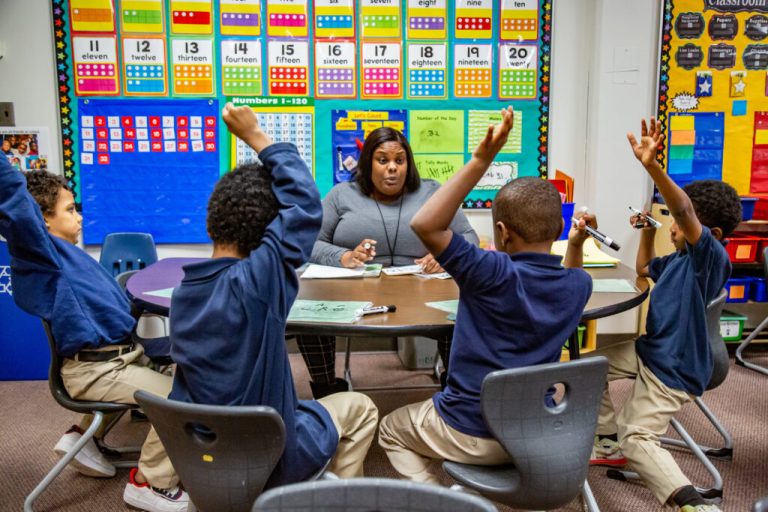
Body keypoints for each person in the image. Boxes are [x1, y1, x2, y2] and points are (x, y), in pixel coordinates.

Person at [164, 103, 378, 488]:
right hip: (272, 456)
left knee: (301, 407)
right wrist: (256, 136)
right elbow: (305, 205)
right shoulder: (256, 283)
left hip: (207, 458)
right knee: (361, 408)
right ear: (267, 232)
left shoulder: (183, 293)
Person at [377, 107, 594, 484]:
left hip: (469, 431)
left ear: (501, 232)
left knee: (391, 428)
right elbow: (571, 272)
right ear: (560, 228)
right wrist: (574, 243)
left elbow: (425, 224)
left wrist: (481, 159)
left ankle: (446, 503)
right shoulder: (578, 286)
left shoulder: (489, 272)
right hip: (535, 431)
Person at [0, 157, 188, 512]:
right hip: (99, 370)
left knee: (170, 364)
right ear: (41, 221)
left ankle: (83, 439)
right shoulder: (43, 254)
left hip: (114, 357)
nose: (79, 216)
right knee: (186, 399)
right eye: (70, 210)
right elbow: (14, 198)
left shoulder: (71, 255)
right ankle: (151, 483)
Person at [588, 118, 741, 512]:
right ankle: (607, 442)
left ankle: (692, 503)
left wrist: (652, 166)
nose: (673, 224)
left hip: (673, 369)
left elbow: (685, 208)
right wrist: (644, 231)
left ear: (713, 235)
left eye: (679, 222)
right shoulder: (679, 260)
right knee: (588, 368)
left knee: (637, 436)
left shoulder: (709, 259)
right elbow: (643, 270)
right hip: (650, 351)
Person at [300, 126, 480, 398]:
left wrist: (446, 255)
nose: (392, 168)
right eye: (382, 160)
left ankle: (454, 389)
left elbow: (469, 236)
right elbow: (310, 243)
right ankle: (327, 390)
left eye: (399, 160)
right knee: (309, 319)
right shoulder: (341, 194)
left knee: (462, 311)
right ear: (367, 162)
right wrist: (344, 256)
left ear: (409, 163)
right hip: (353, 293)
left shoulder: (431, 191)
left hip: (425, 293)